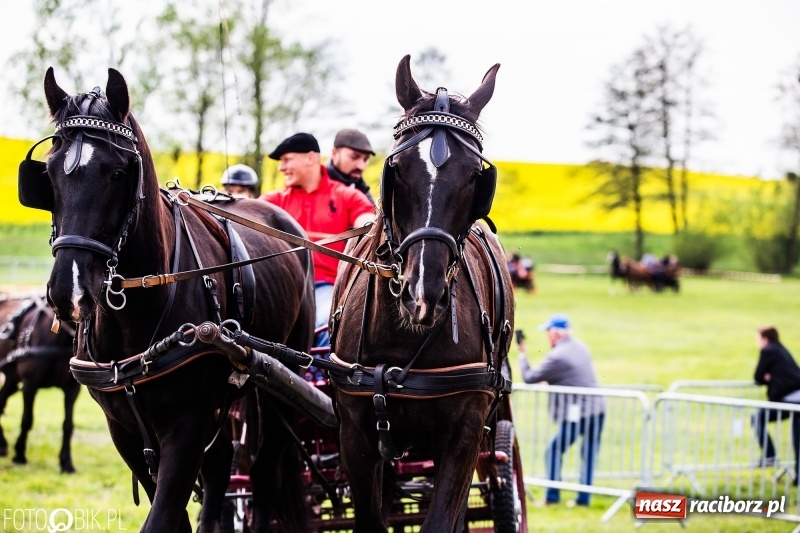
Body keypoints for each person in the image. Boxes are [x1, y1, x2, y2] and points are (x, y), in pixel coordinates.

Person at [260, 132, 375, 347]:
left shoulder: (347, 196)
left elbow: (367, 222)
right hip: (276, 286)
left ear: (311, 158)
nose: (281, 168)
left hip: (322, 288)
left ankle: (320, 379)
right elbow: (246, 216)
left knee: (329, 324)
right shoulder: (272, 202)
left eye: (286, 160)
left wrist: (367, 226)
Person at [518, 313, 605, 507]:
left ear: (556, 334)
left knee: (553, 450)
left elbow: (529, 377)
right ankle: (584, 499)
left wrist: (522, 355)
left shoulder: (557, 356)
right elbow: (572, 375)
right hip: (598, 408)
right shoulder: (580, 346)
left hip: (579, 412)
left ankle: (552, 497)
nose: (547, 336)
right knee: (589, 454)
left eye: (548, 331)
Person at [751, 326, 800, 481]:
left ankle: (769, 455)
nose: (757, 342)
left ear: (765, 339)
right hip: (797, 398)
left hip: (788, 400)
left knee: (758, 417)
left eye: (758, 338)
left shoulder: (768, 350)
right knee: (798, 439)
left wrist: (767, 377)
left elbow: (758, 376)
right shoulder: (781, 349)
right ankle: (798, 478)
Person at [326, 129, 376, 205]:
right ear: (334, 154)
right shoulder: (312, 187)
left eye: (365, 159)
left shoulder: (365, 195)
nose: (361, 166)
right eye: (354, 157)